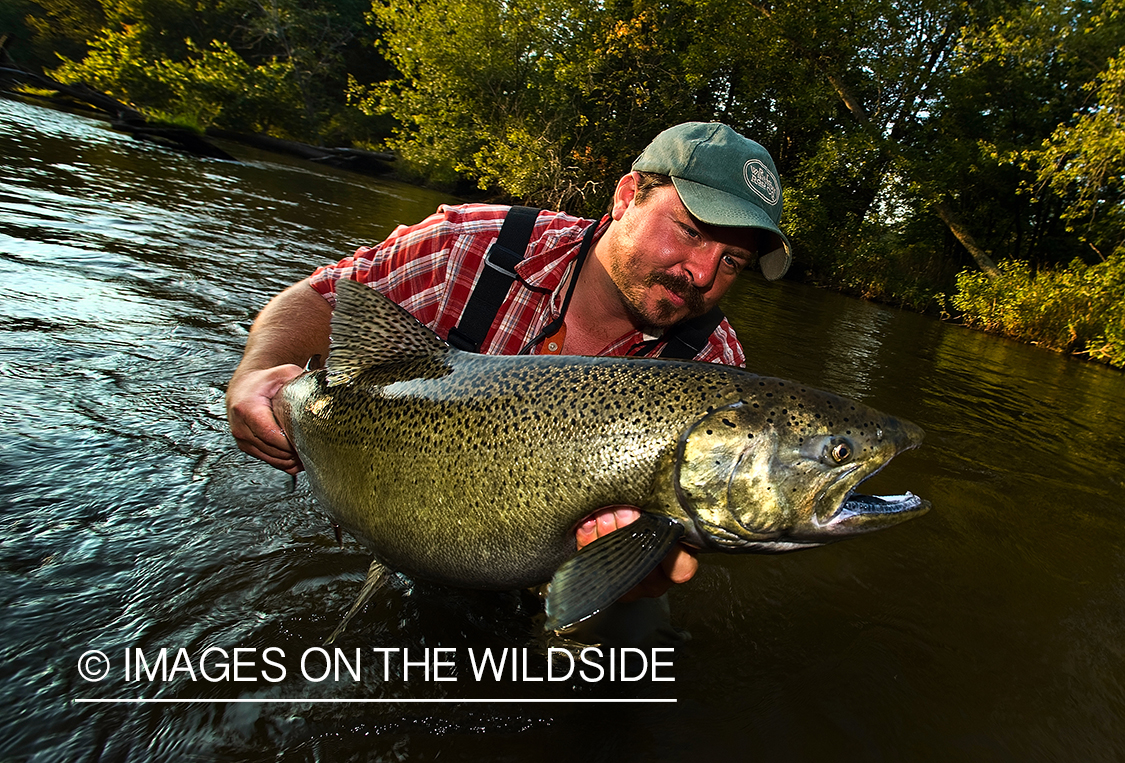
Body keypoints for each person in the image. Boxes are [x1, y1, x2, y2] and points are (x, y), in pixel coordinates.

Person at [226, 121, 792, 600]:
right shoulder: (472, 245)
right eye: (689, 231)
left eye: (732, 261)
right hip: (372, 494)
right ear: (626, 196)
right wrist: (257, 375)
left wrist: (628, 574)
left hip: (537, 570)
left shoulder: (716, 367)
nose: (701, 273)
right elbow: (323, 297)